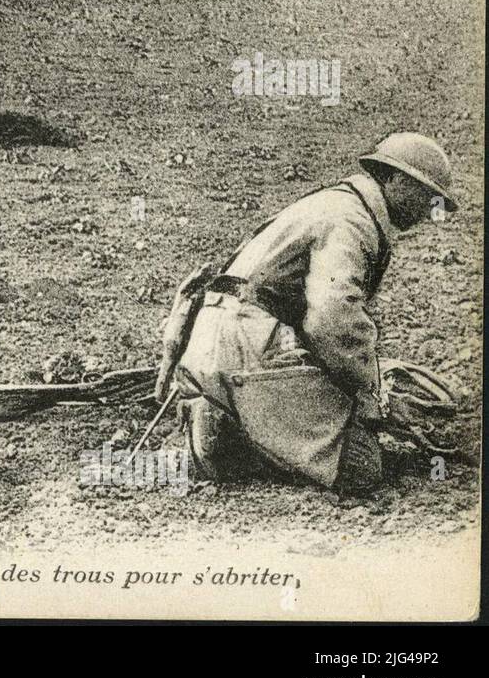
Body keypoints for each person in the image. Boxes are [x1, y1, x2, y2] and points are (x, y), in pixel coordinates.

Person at [161, 132, 459, 495]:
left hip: (226, 338)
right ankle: (229, 436)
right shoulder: (351, 221)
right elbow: (332, 319)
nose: (430, 211)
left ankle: (229, 415)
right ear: (394, 179)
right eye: (427, 196)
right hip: (249, 345)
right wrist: (372, 395)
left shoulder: (337, 203)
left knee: (345, 419)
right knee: (359, 465)